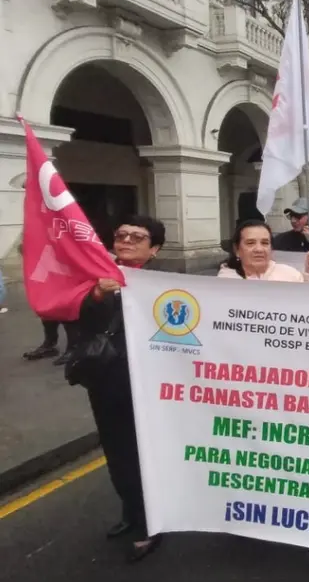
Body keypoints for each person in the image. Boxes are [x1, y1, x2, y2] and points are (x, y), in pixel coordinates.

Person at [79, 215, 168, 562]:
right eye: (121, 235)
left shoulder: (162, 283)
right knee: (117, 454)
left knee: (146, 455)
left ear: (155, 248)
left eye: (137, 237)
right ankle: (130, 513)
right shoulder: (95, 275)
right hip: (106, 381)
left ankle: (152, 523)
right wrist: (98, 294)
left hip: (148, 385)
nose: (127, 240)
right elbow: (73, 316)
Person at [218, 220, 309, 281]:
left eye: (265, 243)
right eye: (250, 243)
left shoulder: (291, 276)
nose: (259, 249)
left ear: (271, 249)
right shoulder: (225, 280)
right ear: (237, 249)